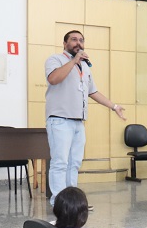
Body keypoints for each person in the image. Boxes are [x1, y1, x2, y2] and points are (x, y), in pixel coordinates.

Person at [45, 30, 127, 207]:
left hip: (78, 122)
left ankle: (72, 203)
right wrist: (74, 60)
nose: (78, 43)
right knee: (60, 163)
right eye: (74, 39)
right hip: (60, 120)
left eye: (81, 40)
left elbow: (93, 92)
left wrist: (114, 106)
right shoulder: (55, 60)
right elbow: (53, 79)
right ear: (65, 43)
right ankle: (58, 202)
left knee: (74, 163)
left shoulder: (85, 67)